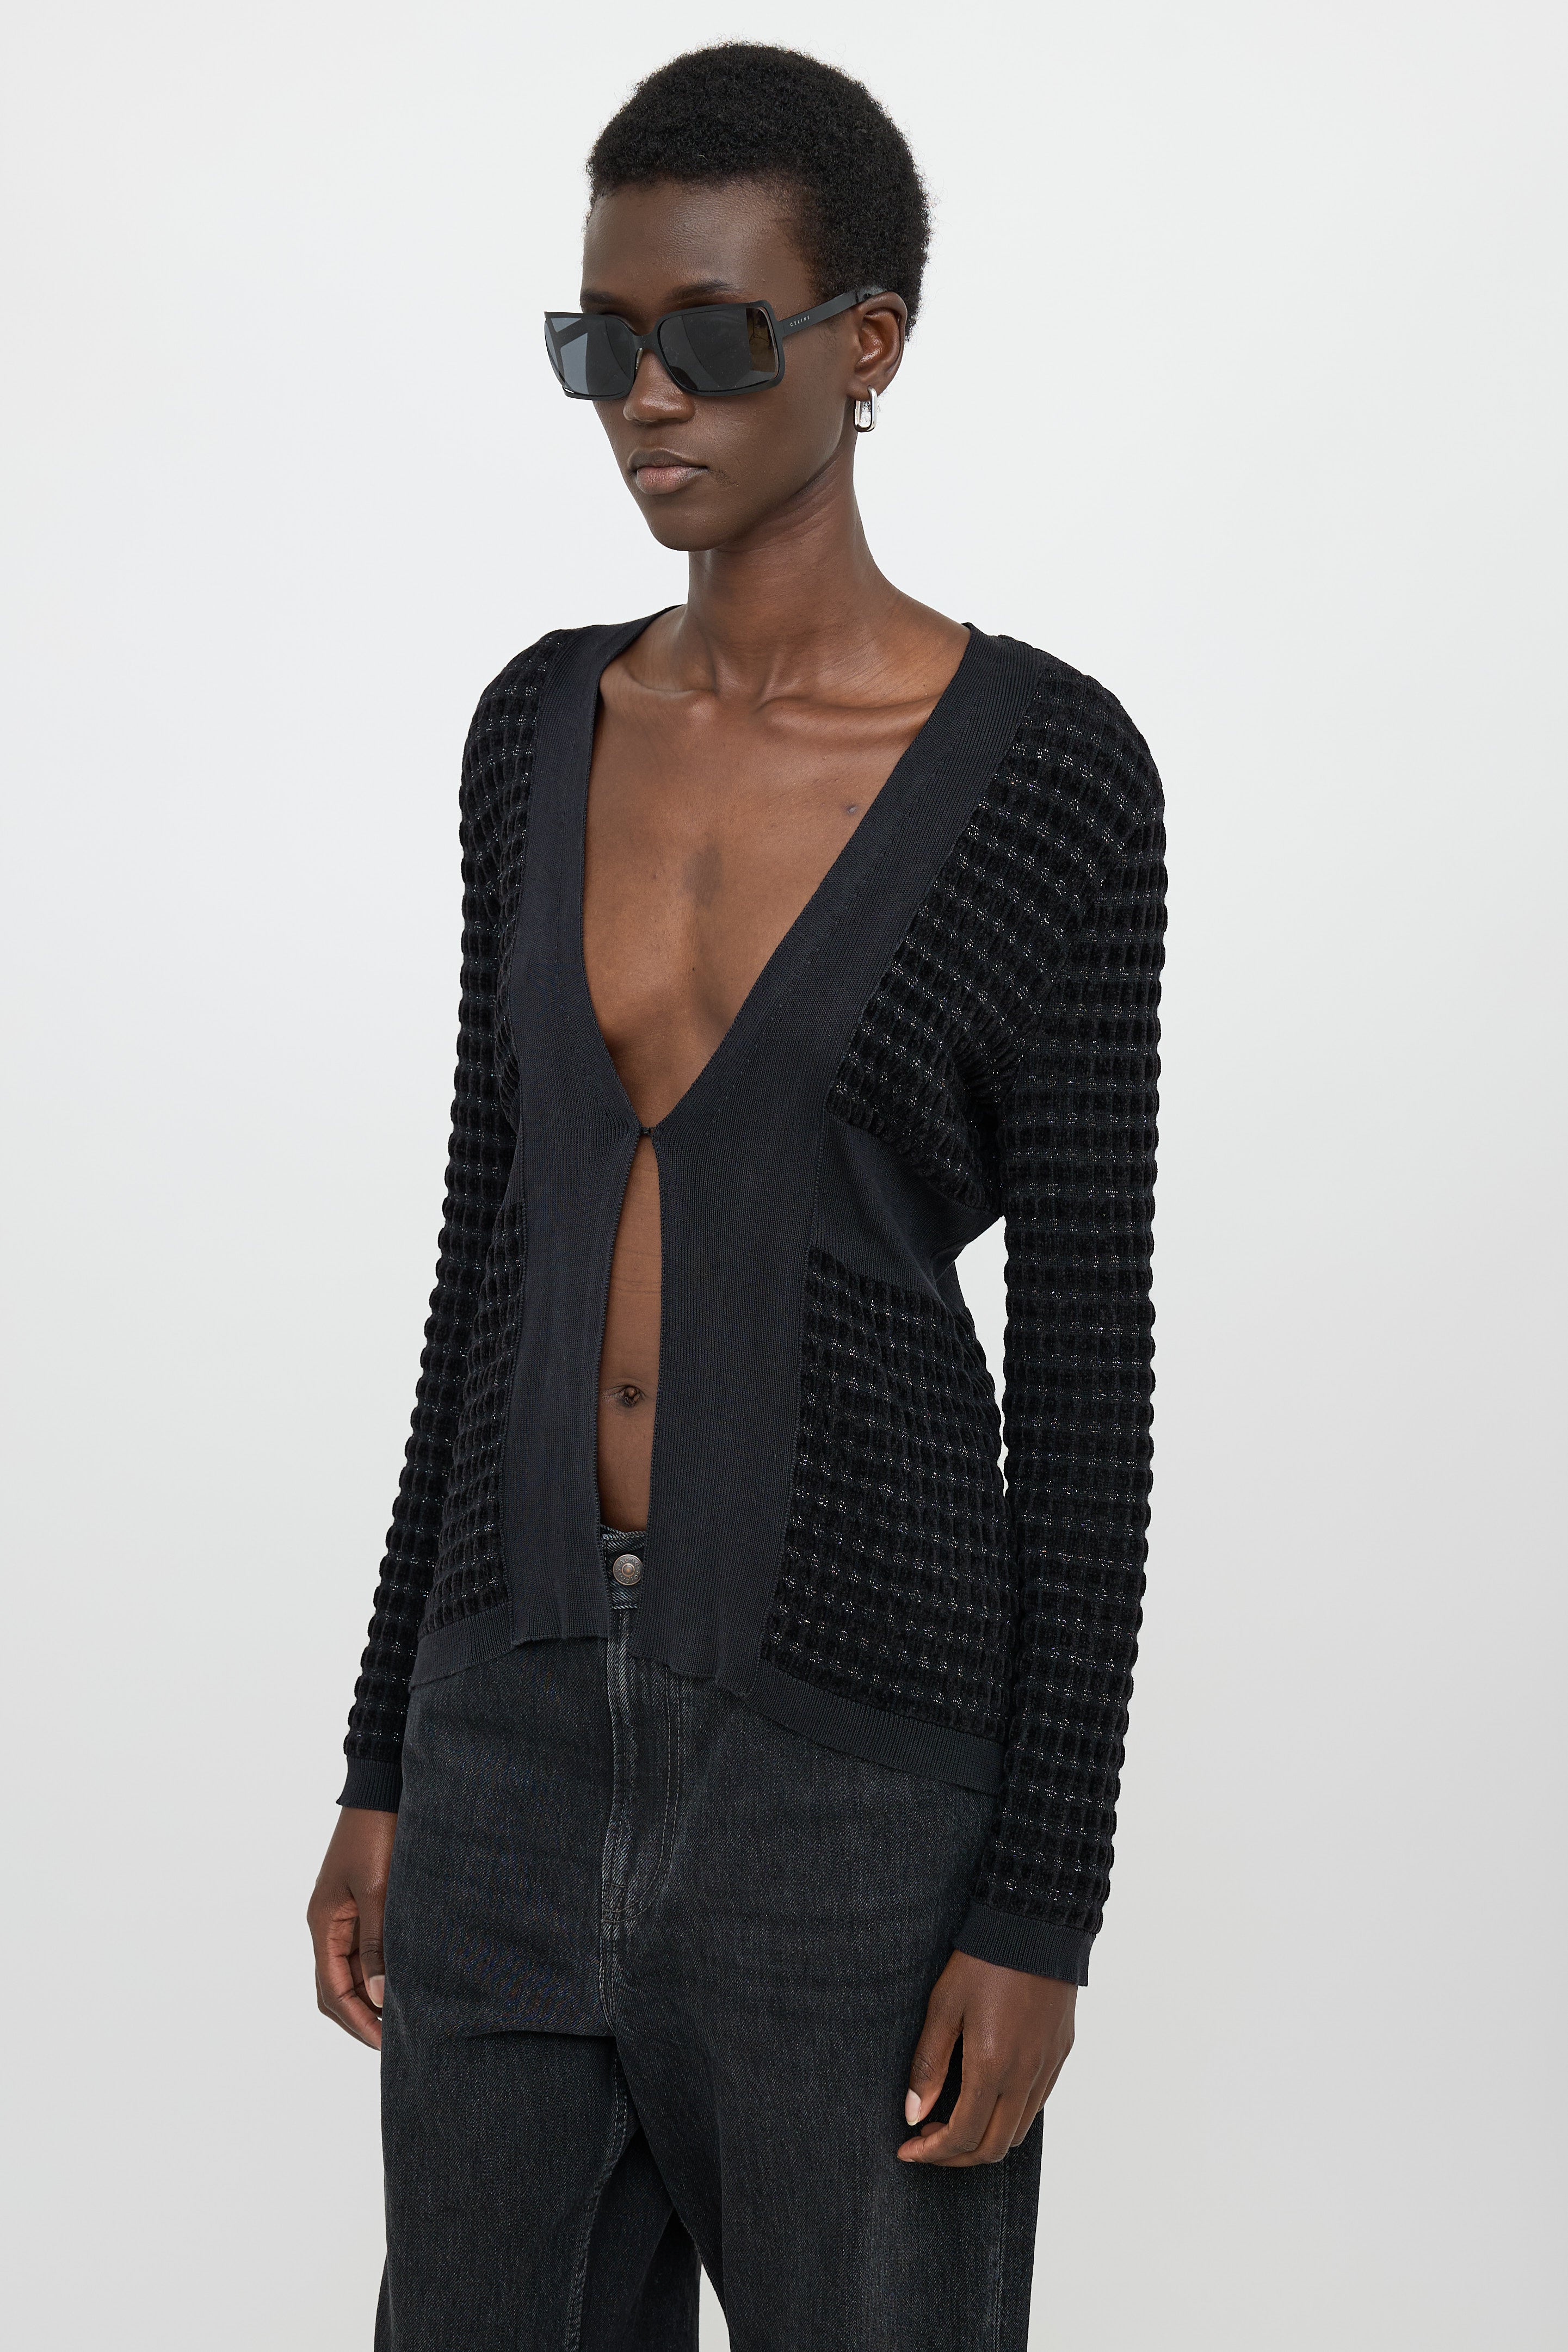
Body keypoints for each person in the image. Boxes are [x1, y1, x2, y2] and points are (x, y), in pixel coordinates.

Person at [307, 41, 1166, 2351]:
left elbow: (1090, 1380)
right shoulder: (536, 729)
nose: (646, 399)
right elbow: (483, 1257)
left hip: (850, 1774)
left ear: (864, 341)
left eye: (707, 333)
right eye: (600, 342)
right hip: (505, 1734)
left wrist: (1040, 1902)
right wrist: (388, 1755)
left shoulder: (1048, 774)